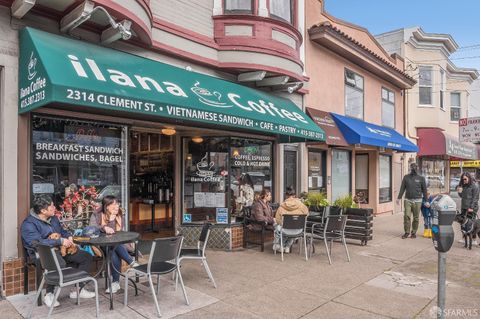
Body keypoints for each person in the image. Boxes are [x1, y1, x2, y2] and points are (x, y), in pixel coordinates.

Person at [21, 195, 95, 308]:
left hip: (61, 250)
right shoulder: (29, 224)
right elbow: (36, 243)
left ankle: (78, 289)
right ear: (43, 210)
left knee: (86, 256)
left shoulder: (54, 218)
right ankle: (49, 294)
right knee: (59, 263)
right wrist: (59, 241)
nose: (54, 208)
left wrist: (69, 237)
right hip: (41, 253)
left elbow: (63, 232)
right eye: (51, 207)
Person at [90, 195, 138, 293]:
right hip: (101, 245)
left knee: (114, 249)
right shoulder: (96, 214)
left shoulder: (119, 214)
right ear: (107, 206)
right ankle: (130, 262)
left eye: (117, 203)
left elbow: (115, 234)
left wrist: (112, 220)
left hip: (117, 245)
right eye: (114, 204)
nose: (117, 206)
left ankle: (115, 284)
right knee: (114, 246)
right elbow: (92, 229)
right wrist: (104, 227)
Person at [397, 163, 428, 239]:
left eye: (415, 167)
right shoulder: (406, 177)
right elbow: (402, 188)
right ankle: (407, 232)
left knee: (416, 217)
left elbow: (424, 190)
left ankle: (413, 232)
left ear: (417, 168)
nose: (414, 169)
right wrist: (399, 198)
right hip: (407, 200)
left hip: (418, 201)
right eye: (412, 167)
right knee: (406, 216)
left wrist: (426, 201)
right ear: (410, 168)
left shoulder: (421, 178)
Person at [273, 187, 308, 253]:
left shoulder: (281, 207)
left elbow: (278, 220)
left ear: (286, 196)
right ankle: (287, 246)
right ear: (294, 196)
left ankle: (281, 245)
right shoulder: (302, 206)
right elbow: (306, 215)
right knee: (293, 227)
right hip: (298, 231)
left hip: (285, 230)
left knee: (278, 227)